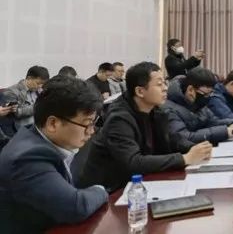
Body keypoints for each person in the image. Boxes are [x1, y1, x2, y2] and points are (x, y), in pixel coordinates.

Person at [78, 62, 213, 192]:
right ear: (140, 91)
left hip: (138, 184)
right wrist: (184, 158)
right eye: (159, 84)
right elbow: (133, 162)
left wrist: (195, 148)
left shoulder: (155, 110)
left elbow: (172, 138)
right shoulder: (119, 119)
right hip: (109, 191)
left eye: (164, 83)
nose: (165, 88)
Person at [0, 75, 108, 233]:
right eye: (87, 124)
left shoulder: (38, 137)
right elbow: (75, 207)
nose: (91, 131)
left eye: (93, 123)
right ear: (53, 123)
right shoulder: (27, 159)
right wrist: (100, 190)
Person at [164, 68, 233, 144]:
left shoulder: (198, 104)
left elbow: (213, 121)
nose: (208, 97)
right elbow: (184, 138)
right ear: (190, 89)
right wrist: (224, 132)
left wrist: (230, 124)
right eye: (205, 94)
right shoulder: (169, 109)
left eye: (210, 94)